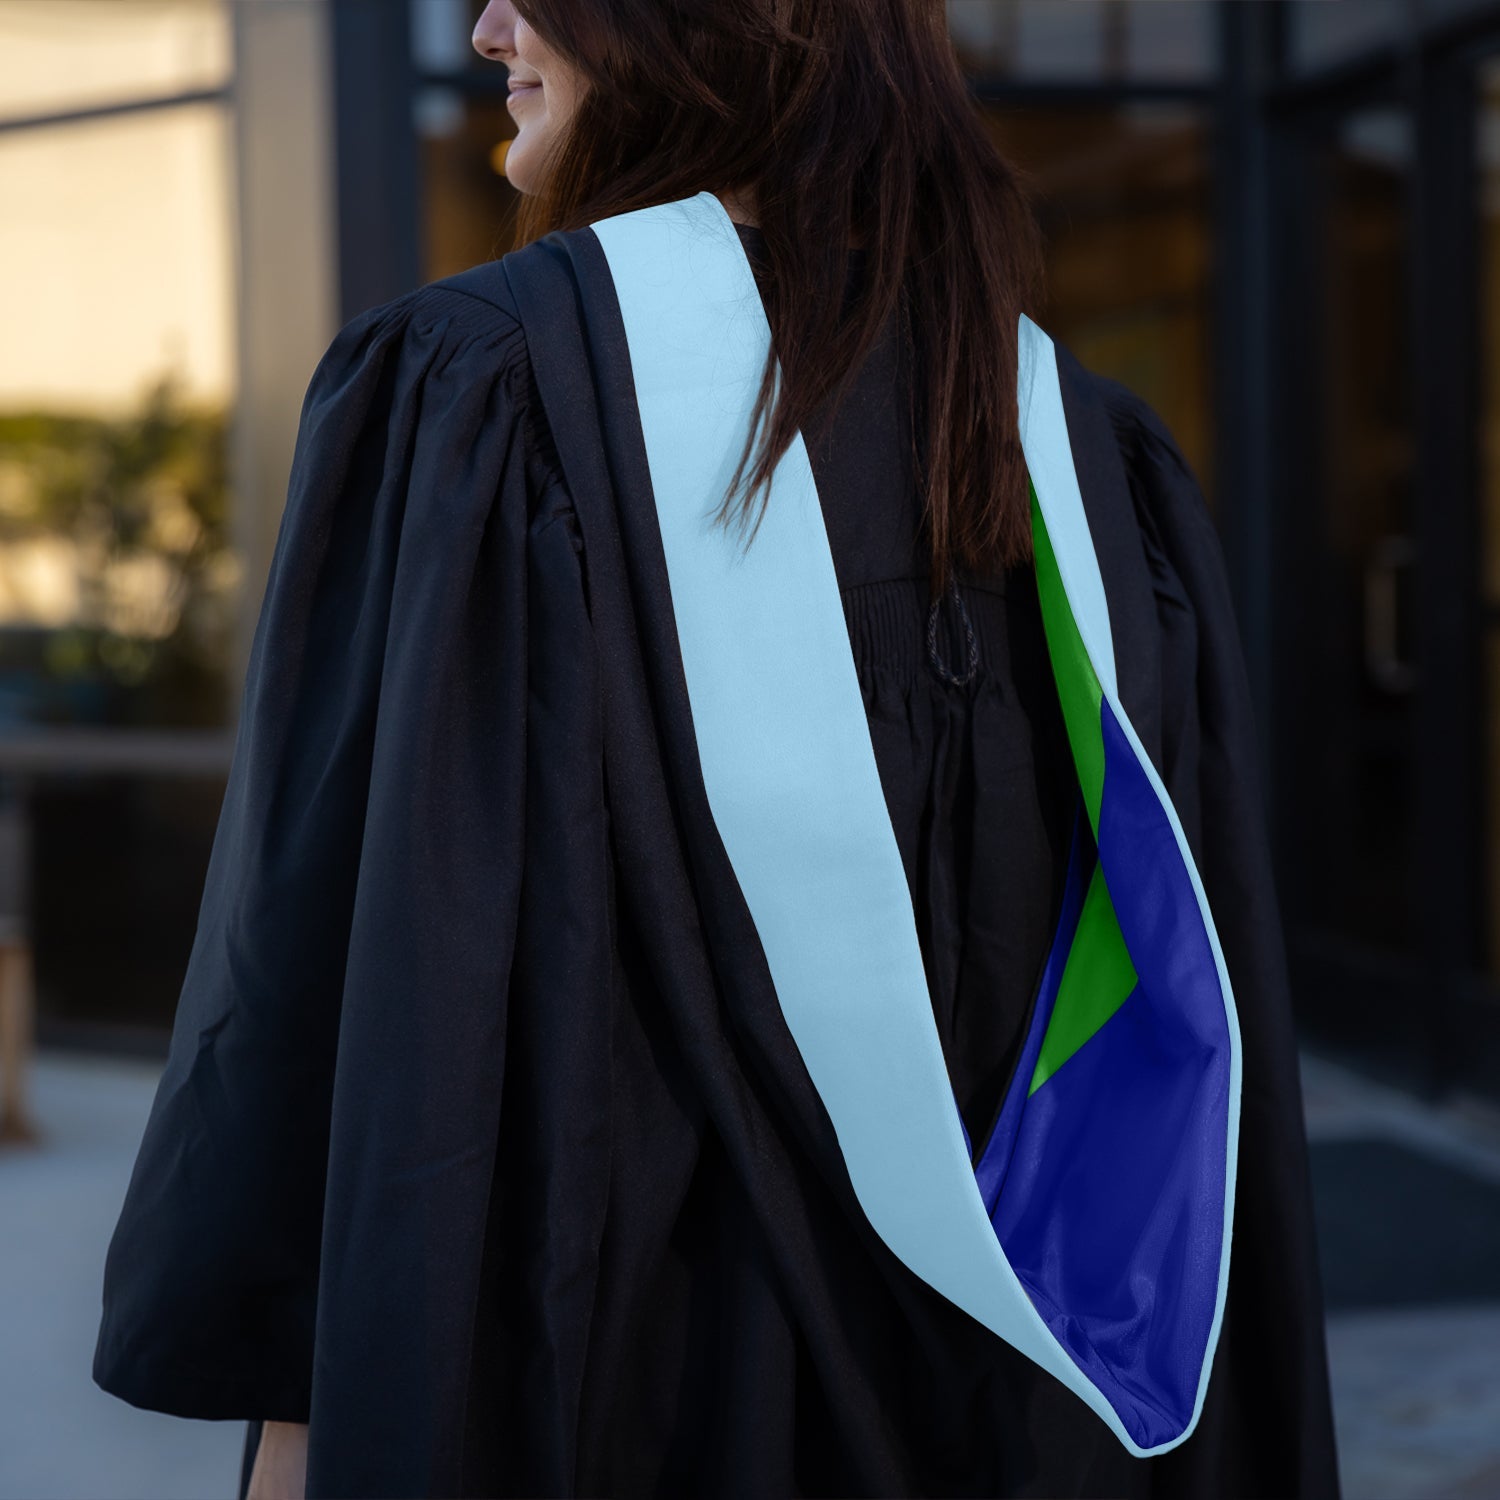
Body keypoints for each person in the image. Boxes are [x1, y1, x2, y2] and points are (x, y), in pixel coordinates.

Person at [92, 3, 1342, 1497]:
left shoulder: (485, 396)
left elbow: (329, 1013)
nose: (490, 24)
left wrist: (296, 1440)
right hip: (1026, 1425)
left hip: (620, 1395)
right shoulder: (1081, 456)